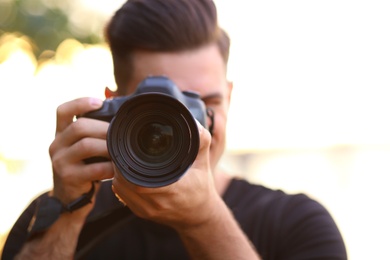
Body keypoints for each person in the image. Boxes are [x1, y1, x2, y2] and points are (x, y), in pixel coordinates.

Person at [2, 0, 347, 259]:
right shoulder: (50, 216)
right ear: (114, 105)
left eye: (203, 104)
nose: (192, 131)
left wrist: (205, 220)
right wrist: (67, 211)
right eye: (160, 108)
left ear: (228, 97)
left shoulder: (297, 224)